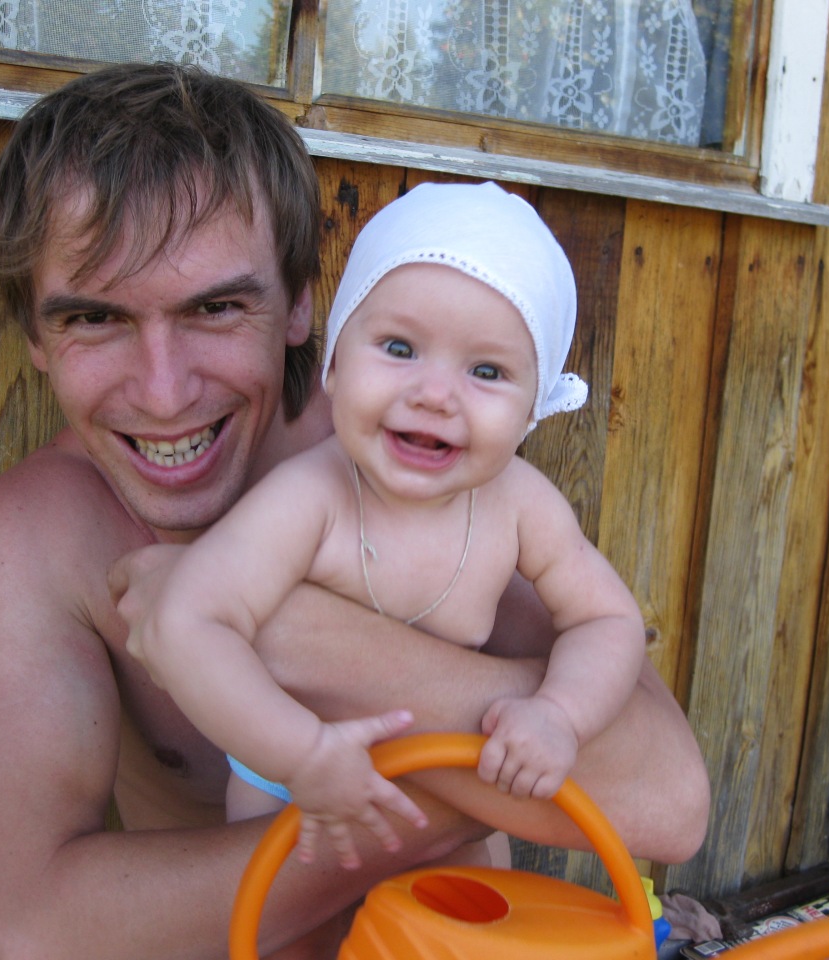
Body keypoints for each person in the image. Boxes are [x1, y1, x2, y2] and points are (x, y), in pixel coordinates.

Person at [0, 61, 709, 960]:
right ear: (36, 337)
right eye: (94, 320)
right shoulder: (41, 534)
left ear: (303, 304)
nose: (163, 392)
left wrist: (289, 637)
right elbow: (27, 928)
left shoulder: (407, 464)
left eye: (216, 308)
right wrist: (418, 801)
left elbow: (664, 798)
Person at [124, 181, 647, 872]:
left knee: (474, 905)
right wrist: (302, 753)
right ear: (336, 366)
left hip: (448, 782)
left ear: (530, 412)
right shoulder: (310, 499)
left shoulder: (521, 506)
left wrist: (560, 712)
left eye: (486, 370)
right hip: (300, 790)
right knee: (292, 911)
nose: (434, 394)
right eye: (399, 348)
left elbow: (608, 619)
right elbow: (185, 622)